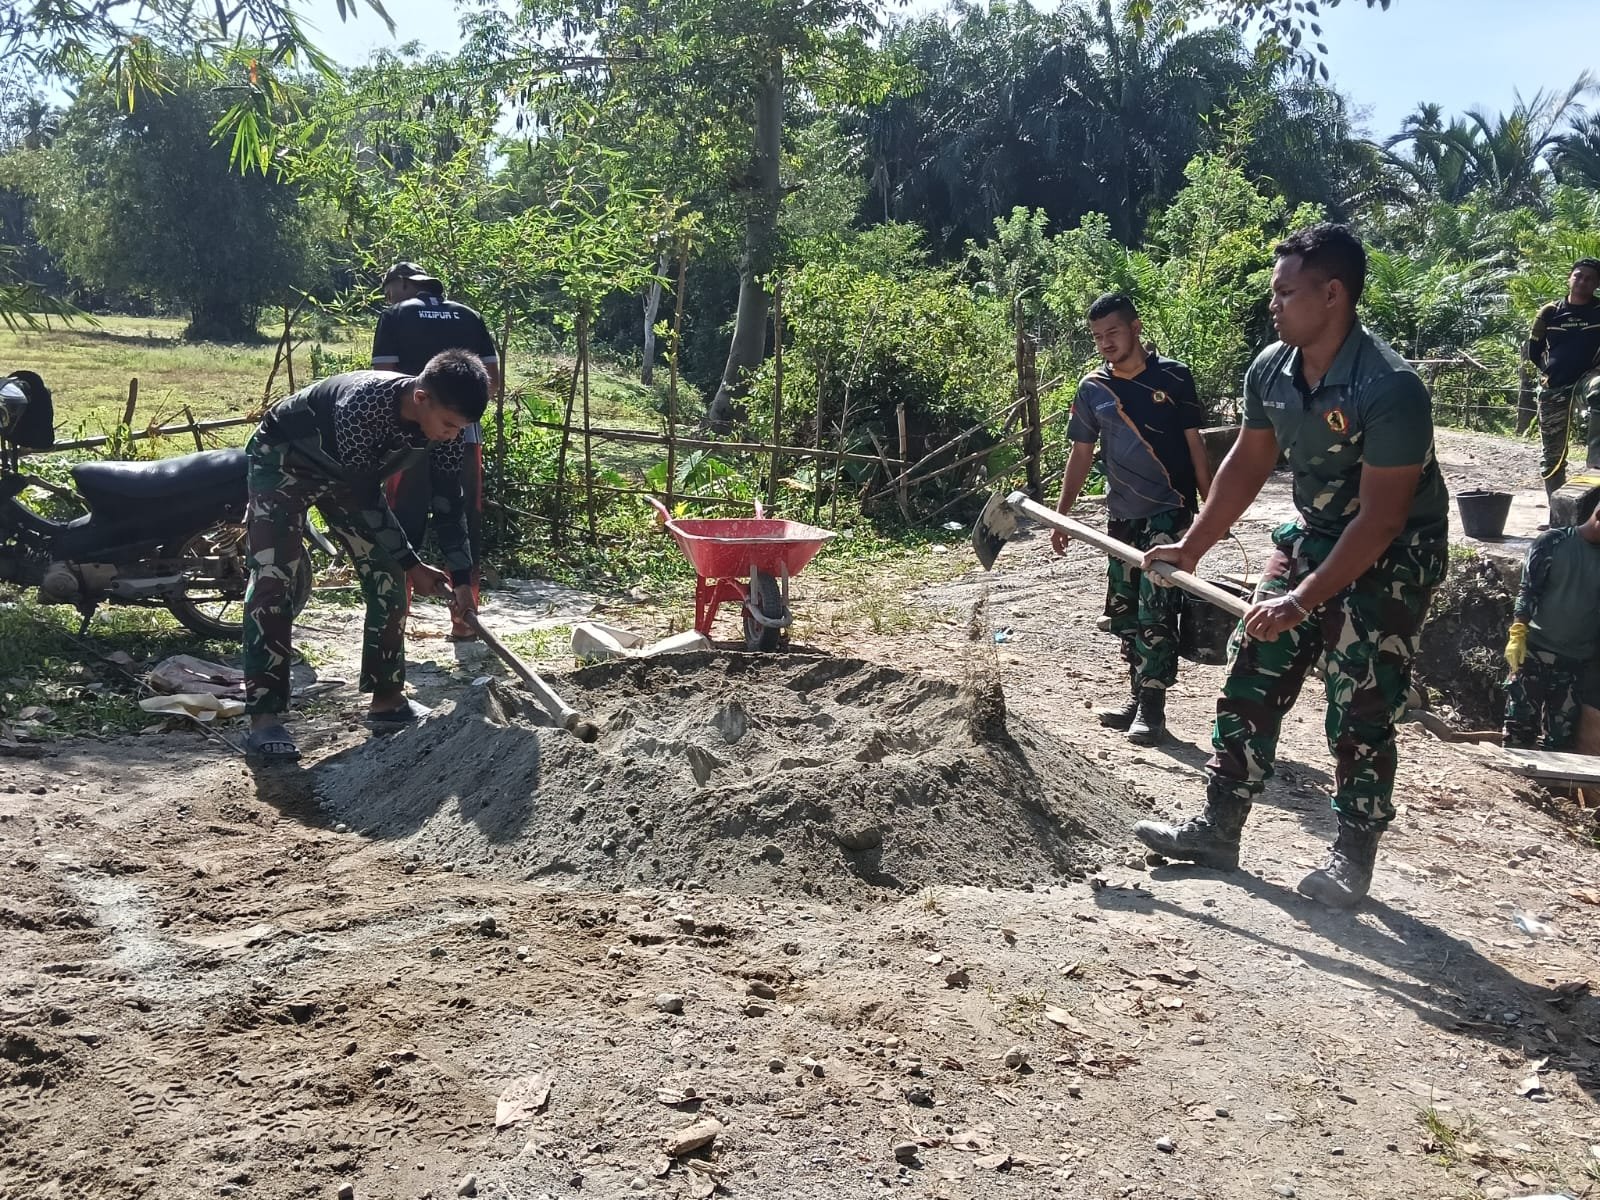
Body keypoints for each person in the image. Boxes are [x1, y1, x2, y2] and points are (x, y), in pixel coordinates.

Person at [1134, 222, 1450, 909]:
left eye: (1285, 292)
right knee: (1253, 663)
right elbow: (1248, 462)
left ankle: (1353, 852)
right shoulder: (1272, 368)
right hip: (1314, 533)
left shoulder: (1390, 387)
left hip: (1393, 554)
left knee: (1361, 699)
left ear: (1332, 294)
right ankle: (1219, 828)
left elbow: (1382, 519)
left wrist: (1303, 600)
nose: (1272, 304)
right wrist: (1192, 547)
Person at [242, 350, 491, 761]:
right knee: (274, 577)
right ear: (422, 398)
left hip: (349, 475)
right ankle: (264, 717)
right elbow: (365, 498)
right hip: (285, 460)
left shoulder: (446, 431)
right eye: (449, 425)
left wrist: (462, 580)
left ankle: (387, 700)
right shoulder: (363, 405)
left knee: (387, 572)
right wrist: (414, 563)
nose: (452, 436)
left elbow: (450, 504)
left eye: (460, 429)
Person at [1054, 293, 1212, 745]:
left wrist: (1210, 510)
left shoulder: (1174, 376)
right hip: (1122, 516)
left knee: (1157, 608)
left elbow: (1195, 444)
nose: (1105, 342)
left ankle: (1152, 710)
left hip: (1169, 511)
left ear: (1135, 328)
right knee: (1125, 610)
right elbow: (1081, 453)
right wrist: (1062, 516)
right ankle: (1137, 696)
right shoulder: (1093, 389)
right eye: (1097, 336)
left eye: (1113, 332)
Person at [372, 262, 501, 638]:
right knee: (463, 518)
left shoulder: (395, 316)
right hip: (463, 433)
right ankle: (465, 619)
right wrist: (453, 418)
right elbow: (492, 380)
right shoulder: (469, 315)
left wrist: (426, 414)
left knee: (401, 519)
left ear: (404, 284)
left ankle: (395, 617)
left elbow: (384, 377)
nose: (388, 298)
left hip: (406, 436)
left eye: (389, 289)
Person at [1501, 504, 1600, 750]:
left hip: (1576, 662)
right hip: (1534, 651)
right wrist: (1517, 633)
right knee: (1519, 731)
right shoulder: (1552, 543)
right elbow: (1528, 590)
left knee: (1562, 741)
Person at [1526, 258, 1600, 514]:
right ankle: (1557, 515)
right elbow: (1534, 350)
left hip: (1587, 381)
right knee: (1552, 456)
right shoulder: (1549, 312)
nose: (1583, 281)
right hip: (1554, 387)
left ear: (1597, 284)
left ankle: (1596, 460)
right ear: (1570, 278)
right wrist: (1549, 372)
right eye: (1578, 275)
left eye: (1590, 278)